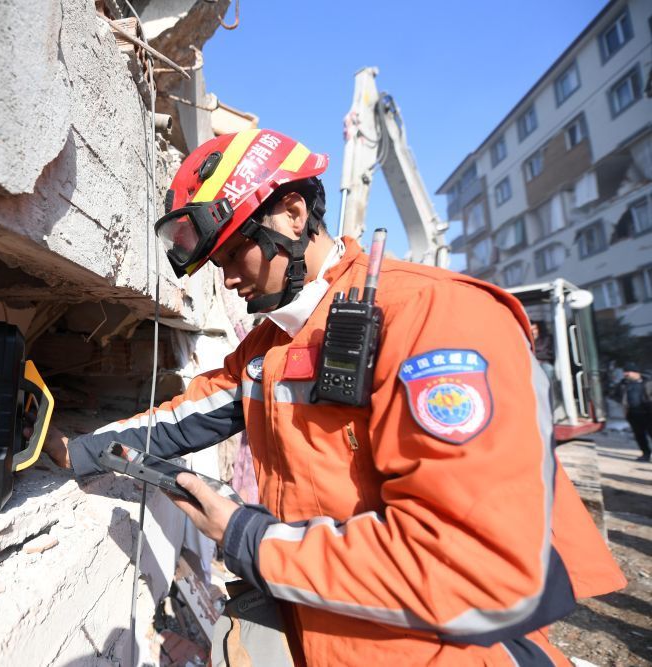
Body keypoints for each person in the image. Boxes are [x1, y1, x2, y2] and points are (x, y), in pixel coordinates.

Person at [44, 129, 625, 665]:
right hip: (333, 631)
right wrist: (75, 449)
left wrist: (248, 537)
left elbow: (475, 565)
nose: (224, 280)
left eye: (232, 254)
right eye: (214, 262)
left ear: (292, 215)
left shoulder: (437, 317)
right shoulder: (274, 344)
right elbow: (186, 417)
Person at [615, 363, 652, 462]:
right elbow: (616, 395)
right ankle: (646, 454)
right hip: (633, 414)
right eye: (624, 372)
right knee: (639, 436)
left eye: (627, 372)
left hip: (648, 414)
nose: (625, 374)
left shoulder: (648, 382)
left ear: (635, 372)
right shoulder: (623, 384)